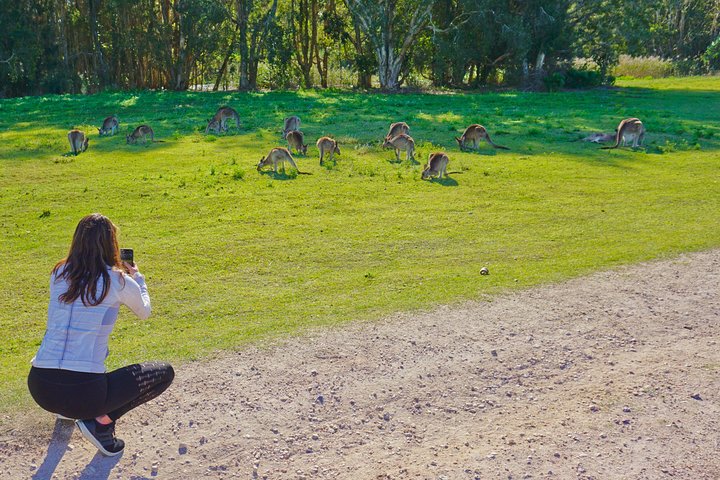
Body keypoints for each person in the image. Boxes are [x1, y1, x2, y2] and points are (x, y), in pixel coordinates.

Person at [27, 213, 174, 457]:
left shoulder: (59, 272)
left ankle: (67, 412)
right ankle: (101, 424)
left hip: (41, 387)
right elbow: (144, 312)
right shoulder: (118, 280)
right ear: (111, 244)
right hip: (85, 394)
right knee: (164, 372)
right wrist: (138, 279)